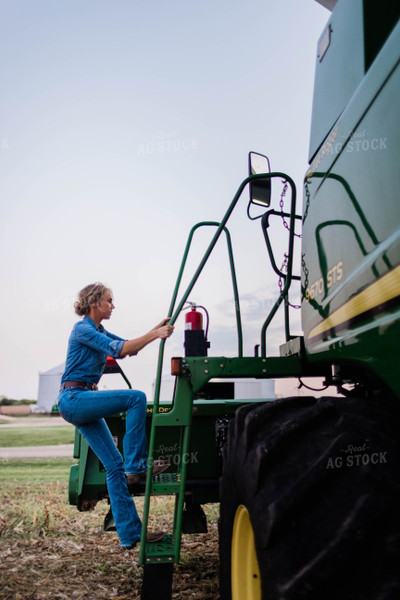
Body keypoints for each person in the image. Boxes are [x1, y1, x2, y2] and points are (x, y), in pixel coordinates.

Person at [58, 282, 174, 549]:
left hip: (80, 398)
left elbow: (127, 348)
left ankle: (131, 535)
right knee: (136, 398)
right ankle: (137, 467)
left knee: (113, 466)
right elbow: (118, 350)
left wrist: (154, 331)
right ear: (95, 302)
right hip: (74, 399)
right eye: (109, 300)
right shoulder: (83, 329)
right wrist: (155, 334)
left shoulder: (98, 329)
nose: (113, 305)